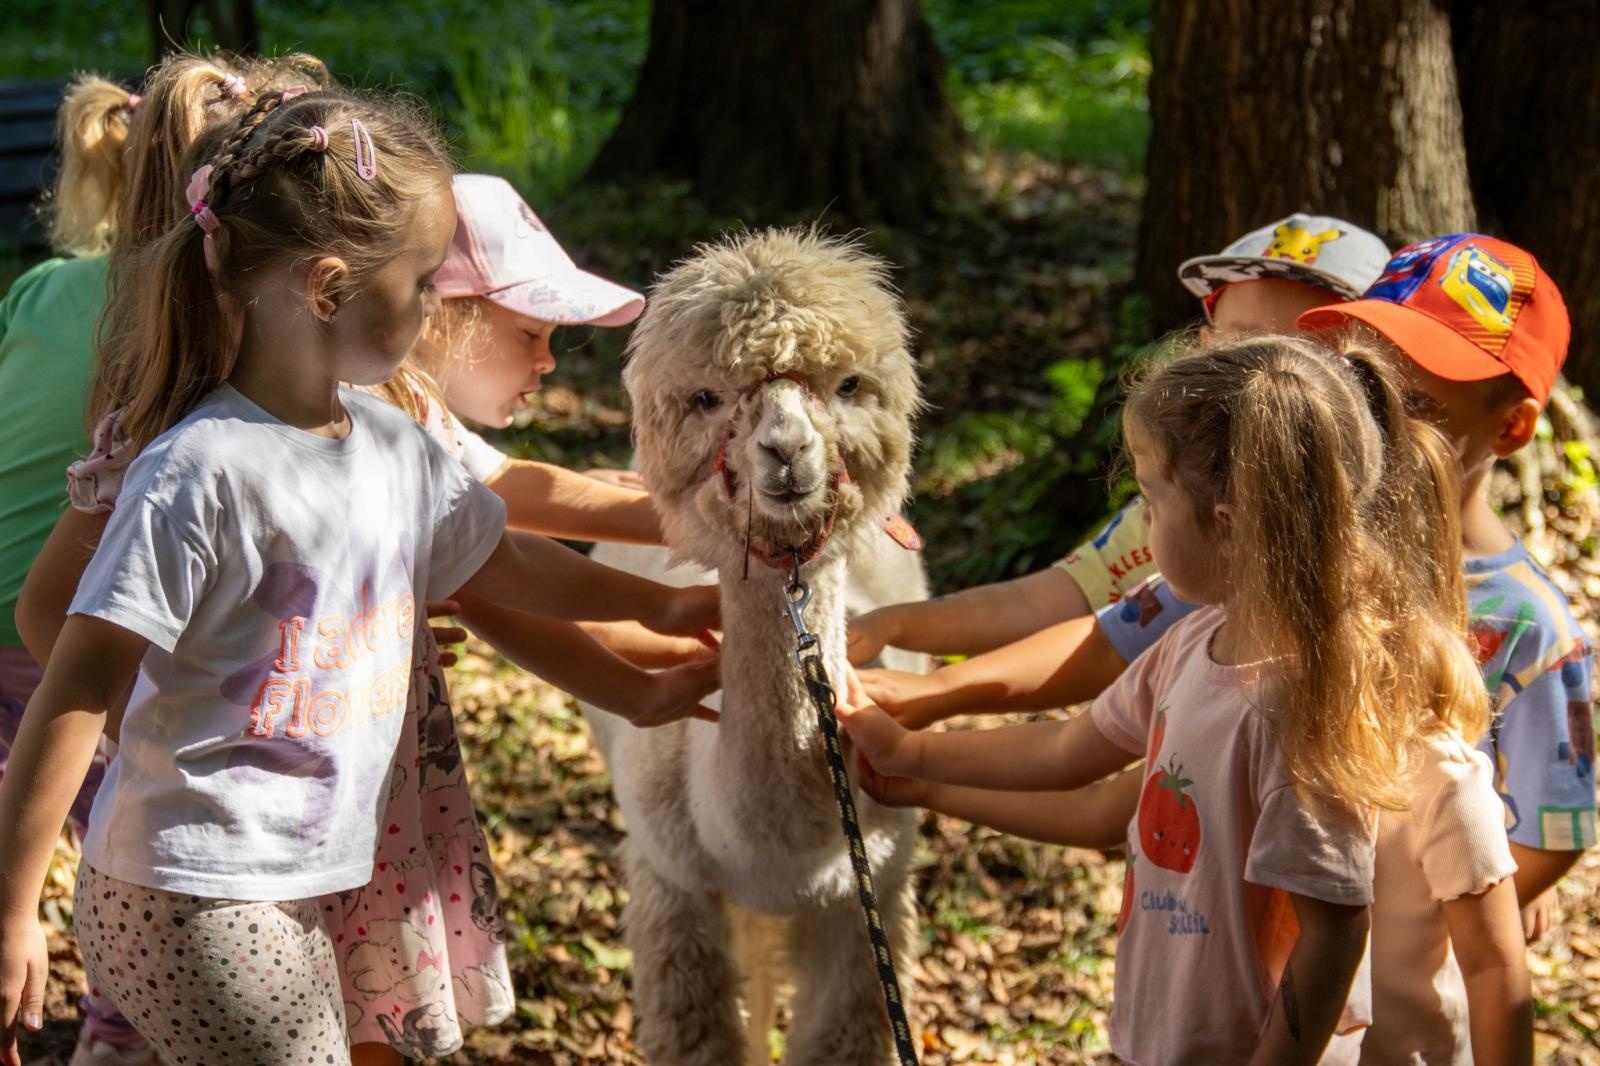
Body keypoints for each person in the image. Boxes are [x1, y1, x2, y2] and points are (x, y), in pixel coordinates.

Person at [0, 85, 717, 1066]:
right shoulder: (197, 468)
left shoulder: (390, 440)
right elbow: (76, 685)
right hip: (189, 885)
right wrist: (12, 912)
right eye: (423, 281)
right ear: (330, 288)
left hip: (305, 871)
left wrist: (668, 600)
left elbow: (503, 558)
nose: (434, 307)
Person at [855, 327, 1538, 1063]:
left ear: (1229, 525)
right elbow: (1068, 750)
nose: (1143, 521)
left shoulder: (1305, 715)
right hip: (1160, 1037)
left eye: (1152, 495)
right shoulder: (1188, 646)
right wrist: (913, 753)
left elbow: (1336, 933)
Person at [0, 53, 330, 1066]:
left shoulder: (46, 287)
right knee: (144, 885)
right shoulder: (219, 329)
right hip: (112, 653)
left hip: (20, 628)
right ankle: (120, 1031)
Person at [846, 214, 1390, 665]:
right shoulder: (1175, 500)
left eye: (1304, 350)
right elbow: (1054, 601)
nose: (1265, 379)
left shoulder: (1391, 536)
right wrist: (895, 624)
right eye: (1242, 344)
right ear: (1203, 349)